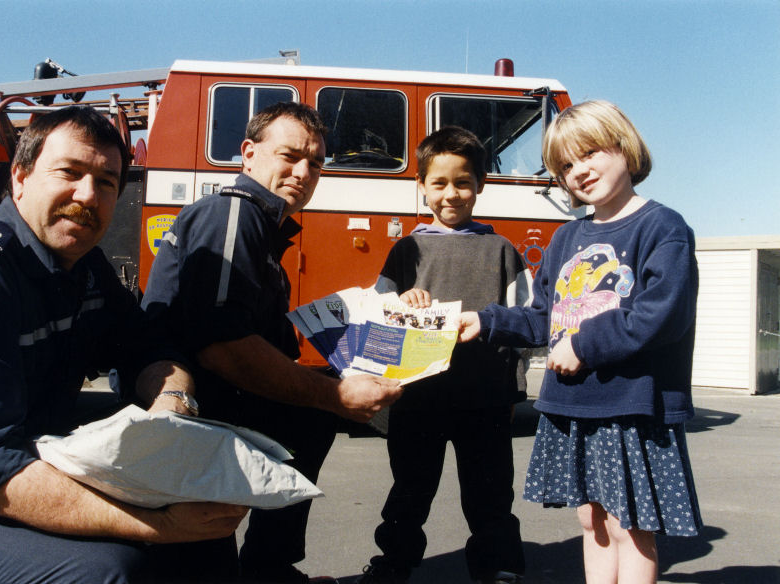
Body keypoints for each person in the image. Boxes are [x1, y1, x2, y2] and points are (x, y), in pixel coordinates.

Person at [0, 106, 248, 584]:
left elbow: (146, 346)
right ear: (20, 177)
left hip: (21, 464)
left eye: (106, 182)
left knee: (204, 526)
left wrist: (172, 401)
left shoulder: (85, 268)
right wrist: (156, 526)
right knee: (108, 571)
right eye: (70, 172)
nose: (87, 195)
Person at [141, 101, 403, 583]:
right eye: (290, 156)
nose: (304, 172)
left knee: (309, 415)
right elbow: (224, 346)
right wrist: (336, 395)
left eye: (317, 163)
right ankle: (266, 567)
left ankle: (268, 566)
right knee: (313, 410)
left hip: (212, 407)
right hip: (192, 413)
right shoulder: (234, 214)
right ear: (247, 153)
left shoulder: (262, 228)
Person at [457, 100, 702, 584]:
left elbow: (662, 314)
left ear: (625, 148)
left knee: (630, 526)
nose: (579, 172)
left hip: (631, 406)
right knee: (591, 520)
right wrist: (484, 322)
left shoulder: (662, 226)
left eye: (589, 153)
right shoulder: (566, 238)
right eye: (565, 166)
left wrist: (584, 345)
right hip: (575, 406)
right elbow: (543, 319)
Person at [357, 127, 528, 584]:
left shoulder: (503, 251)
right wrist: (401, 304)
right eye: (439, 183)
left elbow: (524, 323)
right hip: (417, 399)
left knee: (490, 494)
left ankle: (498, 568)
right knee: (409, 491)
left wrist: (515, 387)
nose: (451, 194)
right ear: (422, 185)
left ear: (480, 186)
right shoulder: (405, 250)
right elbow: (377, 320)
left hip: (486, 398)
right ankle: (394, 563)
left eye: (463, 182)